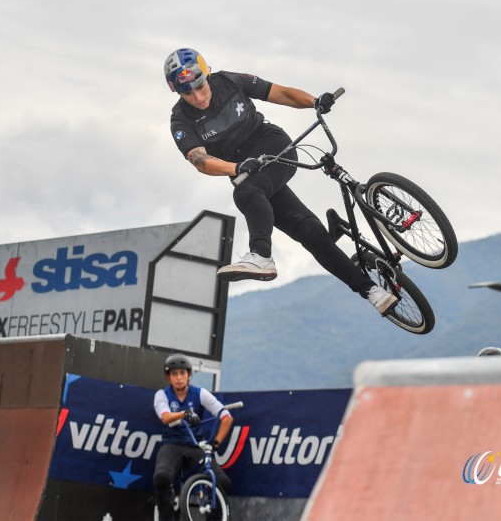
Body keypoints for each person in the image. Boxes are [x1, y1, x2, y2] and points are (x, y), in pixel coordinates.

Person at [164, 47, 398, 315]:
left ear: (206, 75)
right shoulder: (180, 120)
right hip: (247, 171)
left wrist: (314, 101)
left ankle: (261, 255)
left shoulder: (230, 81)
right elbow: (200, 161)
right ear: (177, 92)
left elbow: (281, 93)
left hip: (270, 145)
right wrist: (236, 167)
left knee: (245, 191)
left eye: (200, 87)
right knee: (309, 232)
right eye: (188, 93)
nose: (198, 96)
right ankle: (373, 292)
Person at [152, 353, 232, 521]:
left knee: (222, 482)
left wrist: (216, 443)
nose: (179, 378)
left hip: (196, 445)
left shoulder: (200, 393)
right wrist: (184, 414)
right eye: (174, 374)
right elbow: (165, 417)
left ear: (189, 375)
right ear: (168, 377)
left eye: (182, 373)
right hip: (172, 444)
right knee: (161, 477)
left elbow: (226, 417)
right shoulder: (162, 395)